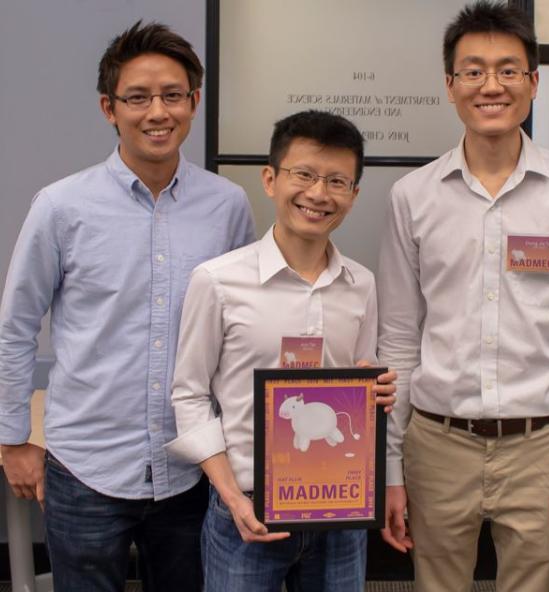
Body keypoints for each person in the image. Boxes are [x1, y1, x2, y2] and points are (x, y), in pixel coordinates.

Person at [0, 20, 254, 592]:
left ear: (194, 101)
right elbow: (15, 327)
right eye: (137, 97)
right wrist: (13, 438)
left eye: (171, 95)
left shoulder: (228, 206)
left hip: (192, 468)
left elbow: (244, 326)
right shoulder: (62, 206)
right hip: (84, 466)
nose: (156, 112)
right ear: (108, 108)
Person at [376, 2, 549, 591]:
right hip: (436, 442)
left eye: (509, 70)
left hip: (541, 445)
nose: (491, 85)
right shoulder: (413, 196)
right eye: (473, 70)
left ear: (533, 82)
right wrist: (392, 467)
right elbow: (400, 338)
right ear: (450, 86)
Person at [165, 110, 396, 592]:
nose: (318, 194)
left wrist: (376, 392)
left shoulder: (362, 285)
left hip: (341, 510)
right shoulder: (218, 281)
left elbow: (362, 376)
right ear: (270, 180)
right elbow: (188, 395)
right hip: (245, 508)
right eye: (304, 175)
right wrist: (230, 495)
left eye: (337, 181)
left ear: (353, 196)